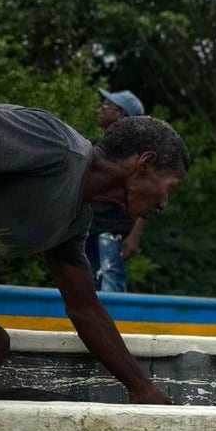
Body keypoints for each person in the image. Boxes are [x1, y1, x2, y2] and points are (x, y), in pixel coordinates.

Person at [0, 99, 188, 403]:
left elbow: (85, 309)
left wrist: (141, 388)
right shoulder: (51, 145)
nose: (164, 204)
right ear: (144, 164)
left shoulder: (73, 222)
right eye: (170, 188)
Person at [86, 89, 149, 292]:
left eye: (106, 105)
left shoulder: (134, 153)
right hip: (89, 227)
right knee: (88, 287)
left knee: (110, 286)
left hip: (112, 232)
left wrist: (135, 235)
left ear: (120, 114)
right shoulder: (99, 146)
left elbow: (147, 195)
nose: (100, 109)